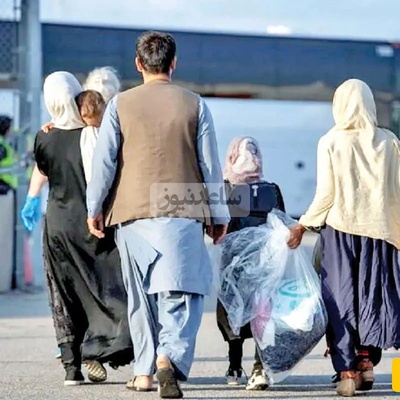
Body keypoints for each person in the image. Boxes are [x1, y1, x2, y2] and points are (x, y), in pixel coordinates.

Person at [86, 30, 230, 398]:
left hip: (131, 208)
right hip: (182, 204)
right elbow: (210, 165)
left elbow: (105, 163)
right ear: (174, 63)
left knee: (140, 296)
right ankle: (169, 356)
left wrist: (94, 208)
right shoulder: (195, 104)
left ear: (138, 64)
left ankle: (144, 372)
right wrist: (218, 214)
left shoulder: (119, 105)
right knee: (180, 290)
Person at [287, 78, 400, 397]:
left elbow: (326, 194)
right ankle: (366, 363)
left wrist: (302, 225)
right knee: (371, 298)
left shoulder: (331, 141)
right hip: (379, 234)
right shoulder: (389, 141)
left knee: (341, 300)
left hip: (341, 233)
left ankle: (347, 371)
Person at [22, 71, 133, 386]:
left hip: (57, 225)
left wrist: (31, 199)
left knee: (64, 292)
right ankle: (105, 347)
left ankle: (72, 367)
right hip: (94, 223)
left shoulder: (44, 137)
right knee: (102, 286)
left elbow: (43, 169)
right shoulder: (94, 134)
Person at [216, 136, 285, 390]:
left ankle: (235, 365)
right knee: (261, 312)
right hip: (264, 264)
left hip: (232, 266)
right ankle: (259, 367)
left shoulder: (224, 189)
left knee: (232, 310)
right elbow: (281, 223)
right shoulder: (272, 190)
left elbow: (213, 224)